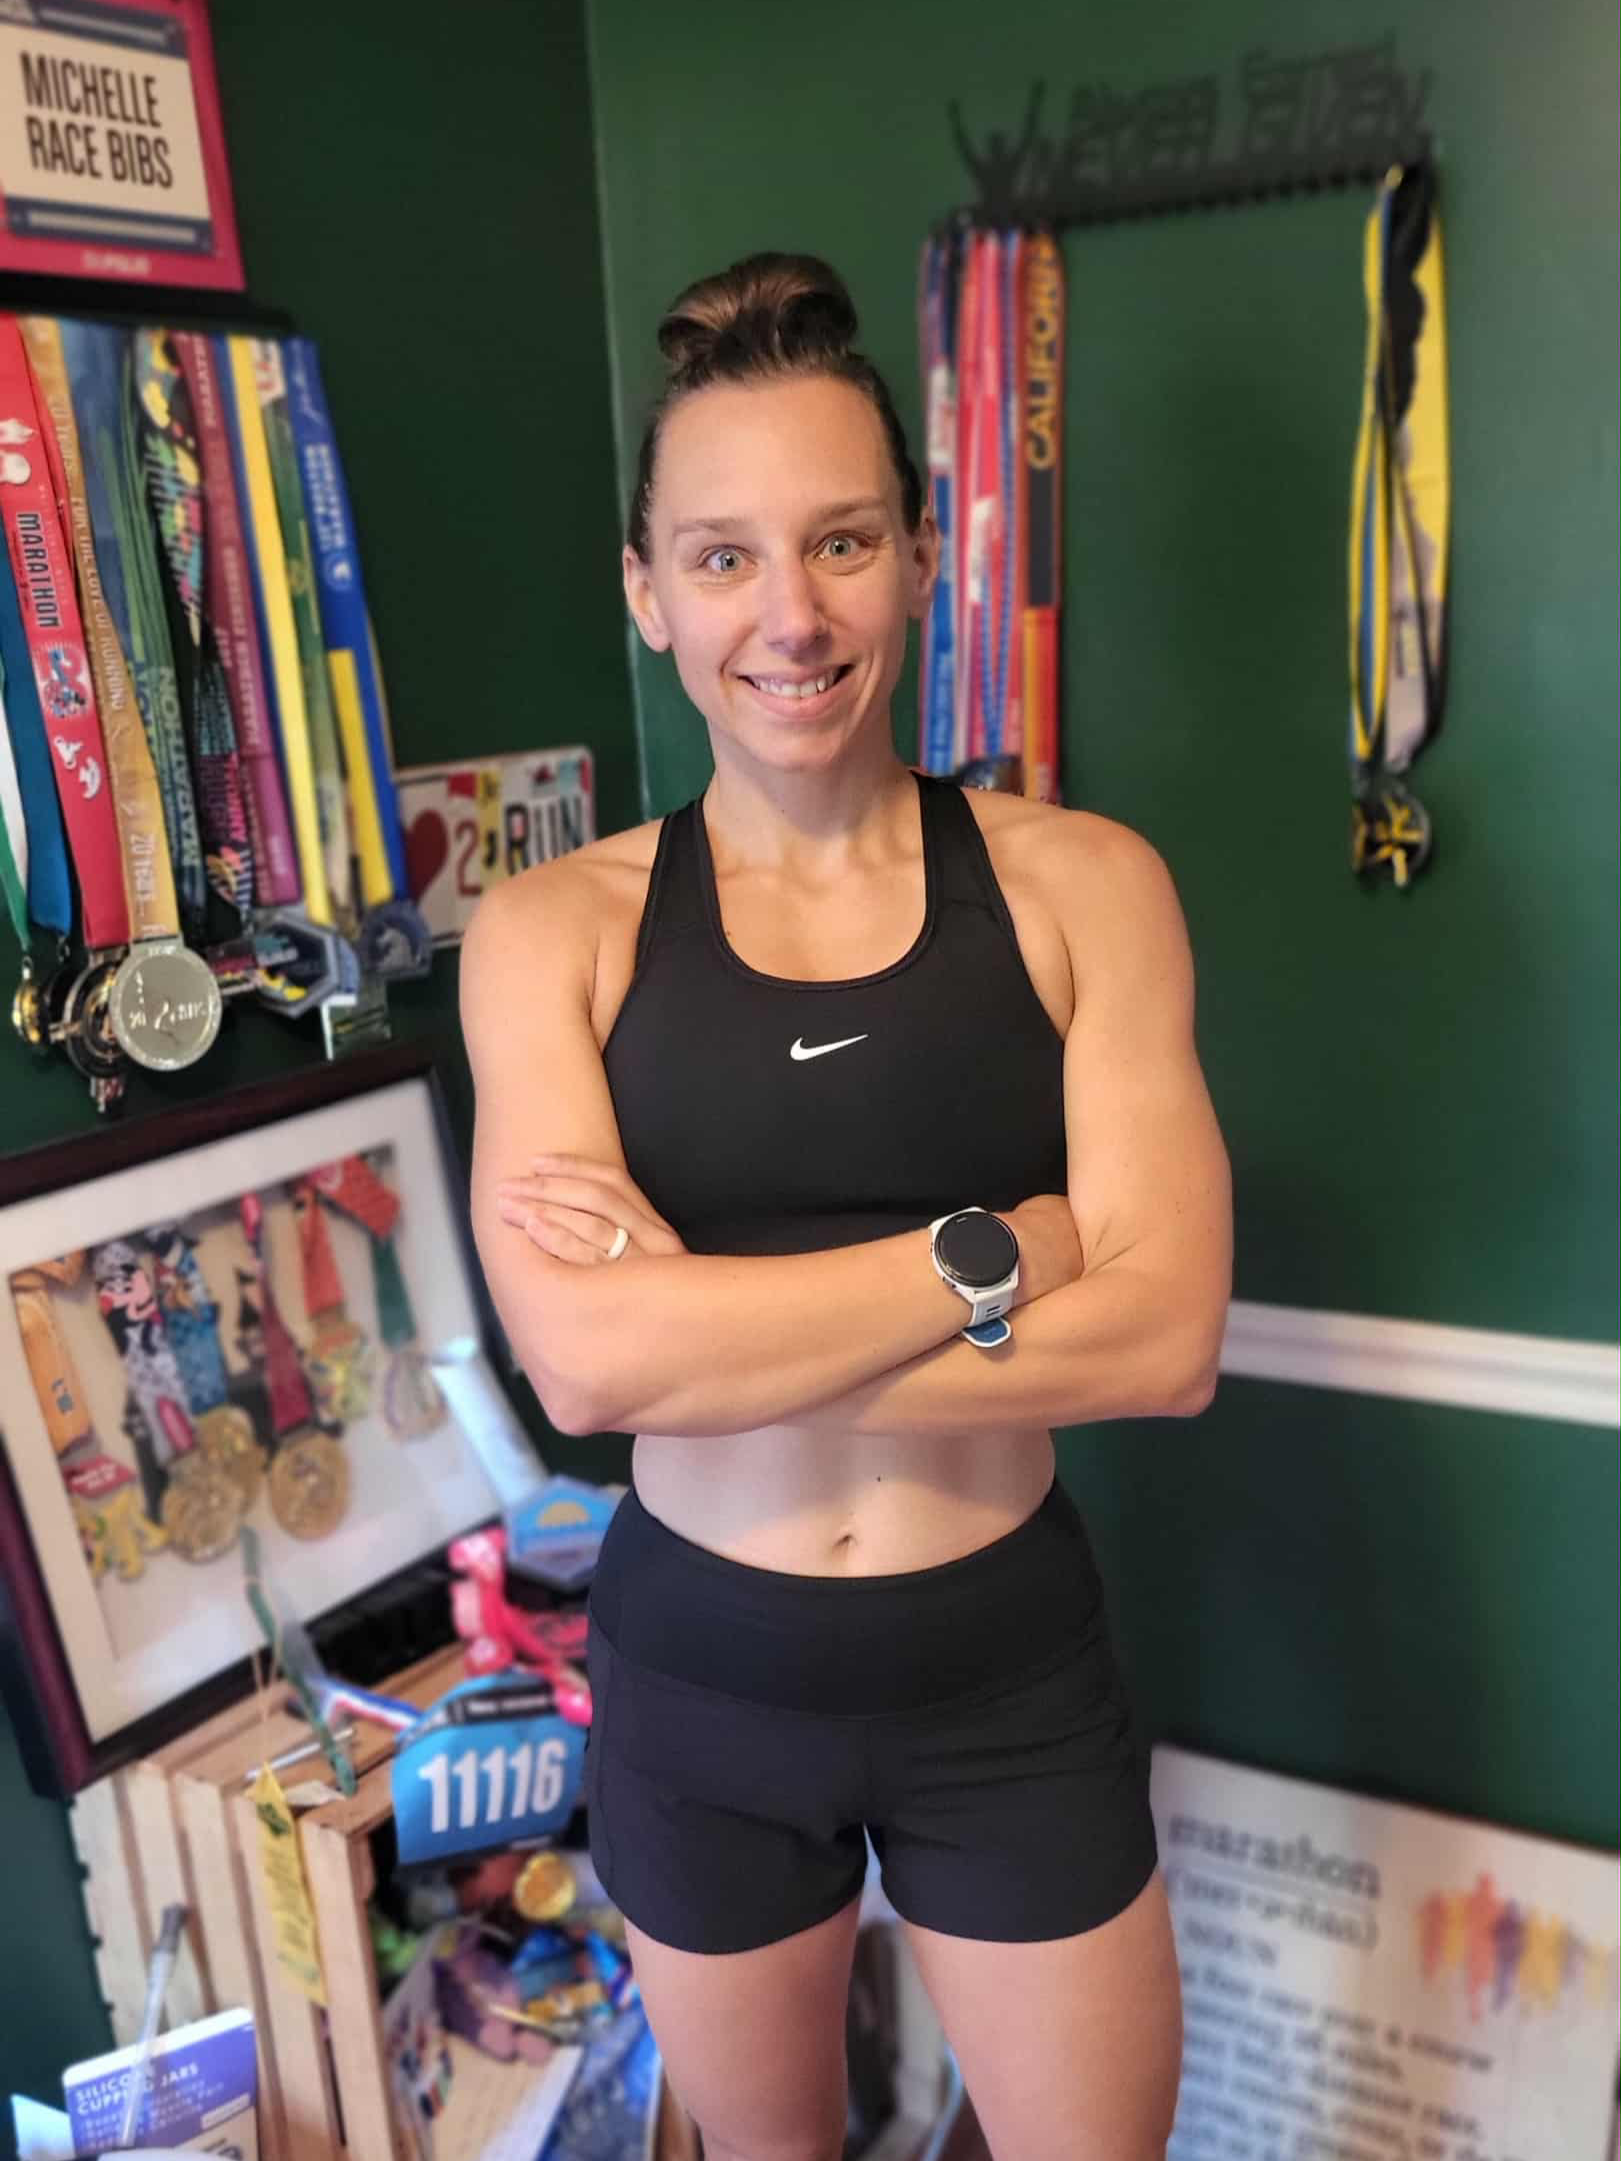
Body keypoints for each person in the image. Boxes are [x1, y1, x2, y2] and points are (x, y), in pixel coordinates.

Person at [460, 252, 1232, 2161]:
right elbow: (585, 1365)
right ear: (647, 593)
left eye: (842, 541)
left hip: (1007, 1675)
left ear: (920, 559)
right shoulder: (551, 931)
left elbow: (1164, 1344)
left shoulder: (1086, 886)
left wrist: (715, 1339)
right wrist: (1003, 1251)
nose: (788, 614)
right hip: (701, 1689)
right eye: (721, 557)